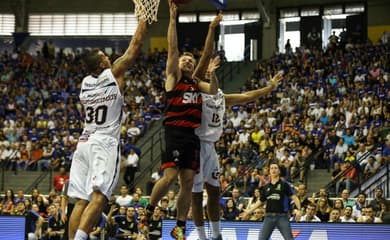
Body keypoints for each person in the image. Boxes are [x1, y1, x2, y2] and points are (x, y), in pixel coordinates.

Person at [190, 12, 283, 240]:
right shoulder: (195, 93)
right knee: (195, 193)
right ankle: (201, 237)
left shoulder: (221, 96)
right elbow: (197, 78)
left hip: (211, 147)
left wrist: (269, 88)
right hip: (195, 145)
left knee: (214, 191)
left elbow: (248, 95)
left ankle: (217, 235)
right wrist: (208, 68)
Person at [67, 18, 149, 240]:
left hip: (83, 142)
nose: (109, 56)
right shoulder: (113, 74)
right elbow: (134, 48)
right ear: (102, 64)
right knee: (100, 197)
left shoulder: (85, 83)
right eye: (105, 56)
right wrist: (143, 19)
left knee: (80, 200)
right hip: (104, 142)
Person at [145, 1, 218, 239]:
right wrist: (173, 19)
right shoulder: (173, 78)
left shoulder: (197, 83)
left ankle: (179, 227)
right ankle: (148, 210)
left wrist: (213, 73)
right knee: (170, 177)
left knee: (187, 181)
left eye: (190, 60)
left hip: (192, 137)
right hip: (175, 132)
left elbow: (212, 85)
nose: (187, 61)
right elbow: (172, 47)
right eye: (184, 60)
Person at [240, 163, 301, 240]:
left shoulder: (284, 184)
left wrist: (299, 210)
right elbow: (260, 201)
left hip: (282, 217)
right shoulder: (266, 187)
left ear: (279, 171)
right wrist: (249, 211)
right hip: (268, 217)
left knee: (289, 238)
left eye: (275, 168)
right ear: (269, 171)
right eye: (271, 168)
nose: (273, 170)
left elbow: (294, 197)